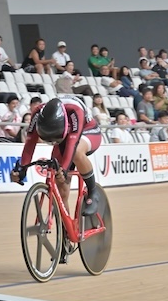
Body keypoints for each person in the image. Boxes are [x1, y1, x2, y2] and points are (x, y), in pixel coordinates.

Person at [12, 97, 102, 232]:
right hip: (64, 138)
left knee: (76, 153)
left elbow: (72, 144)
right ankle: (67, 234)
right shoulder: (37, 113)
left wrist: (64, 169)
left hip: (87, 132)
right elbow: (30, 142)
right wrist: (22, 168)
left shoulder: (74, 110)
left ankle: (92, 191)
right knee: (61, 190)